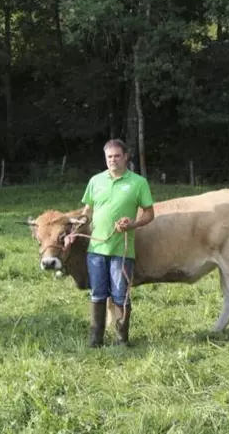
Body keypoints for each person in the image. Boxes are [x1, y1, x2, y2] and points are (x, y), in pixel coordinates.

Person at [79, 139, 155, 347]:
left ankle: (122, 340)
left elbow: (150, 214)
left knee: (120, 294)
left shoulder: (138, 183)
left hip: (122, 250)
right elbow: (87, 210)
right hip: (96, 249)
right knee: (97, 293)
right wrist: (80, 224)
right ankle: (96, 339)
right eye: (109, 157)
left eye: (117, 156)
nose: (113, 160)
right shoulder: (95, 181)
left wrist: (133, 224)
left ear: (126, 157)